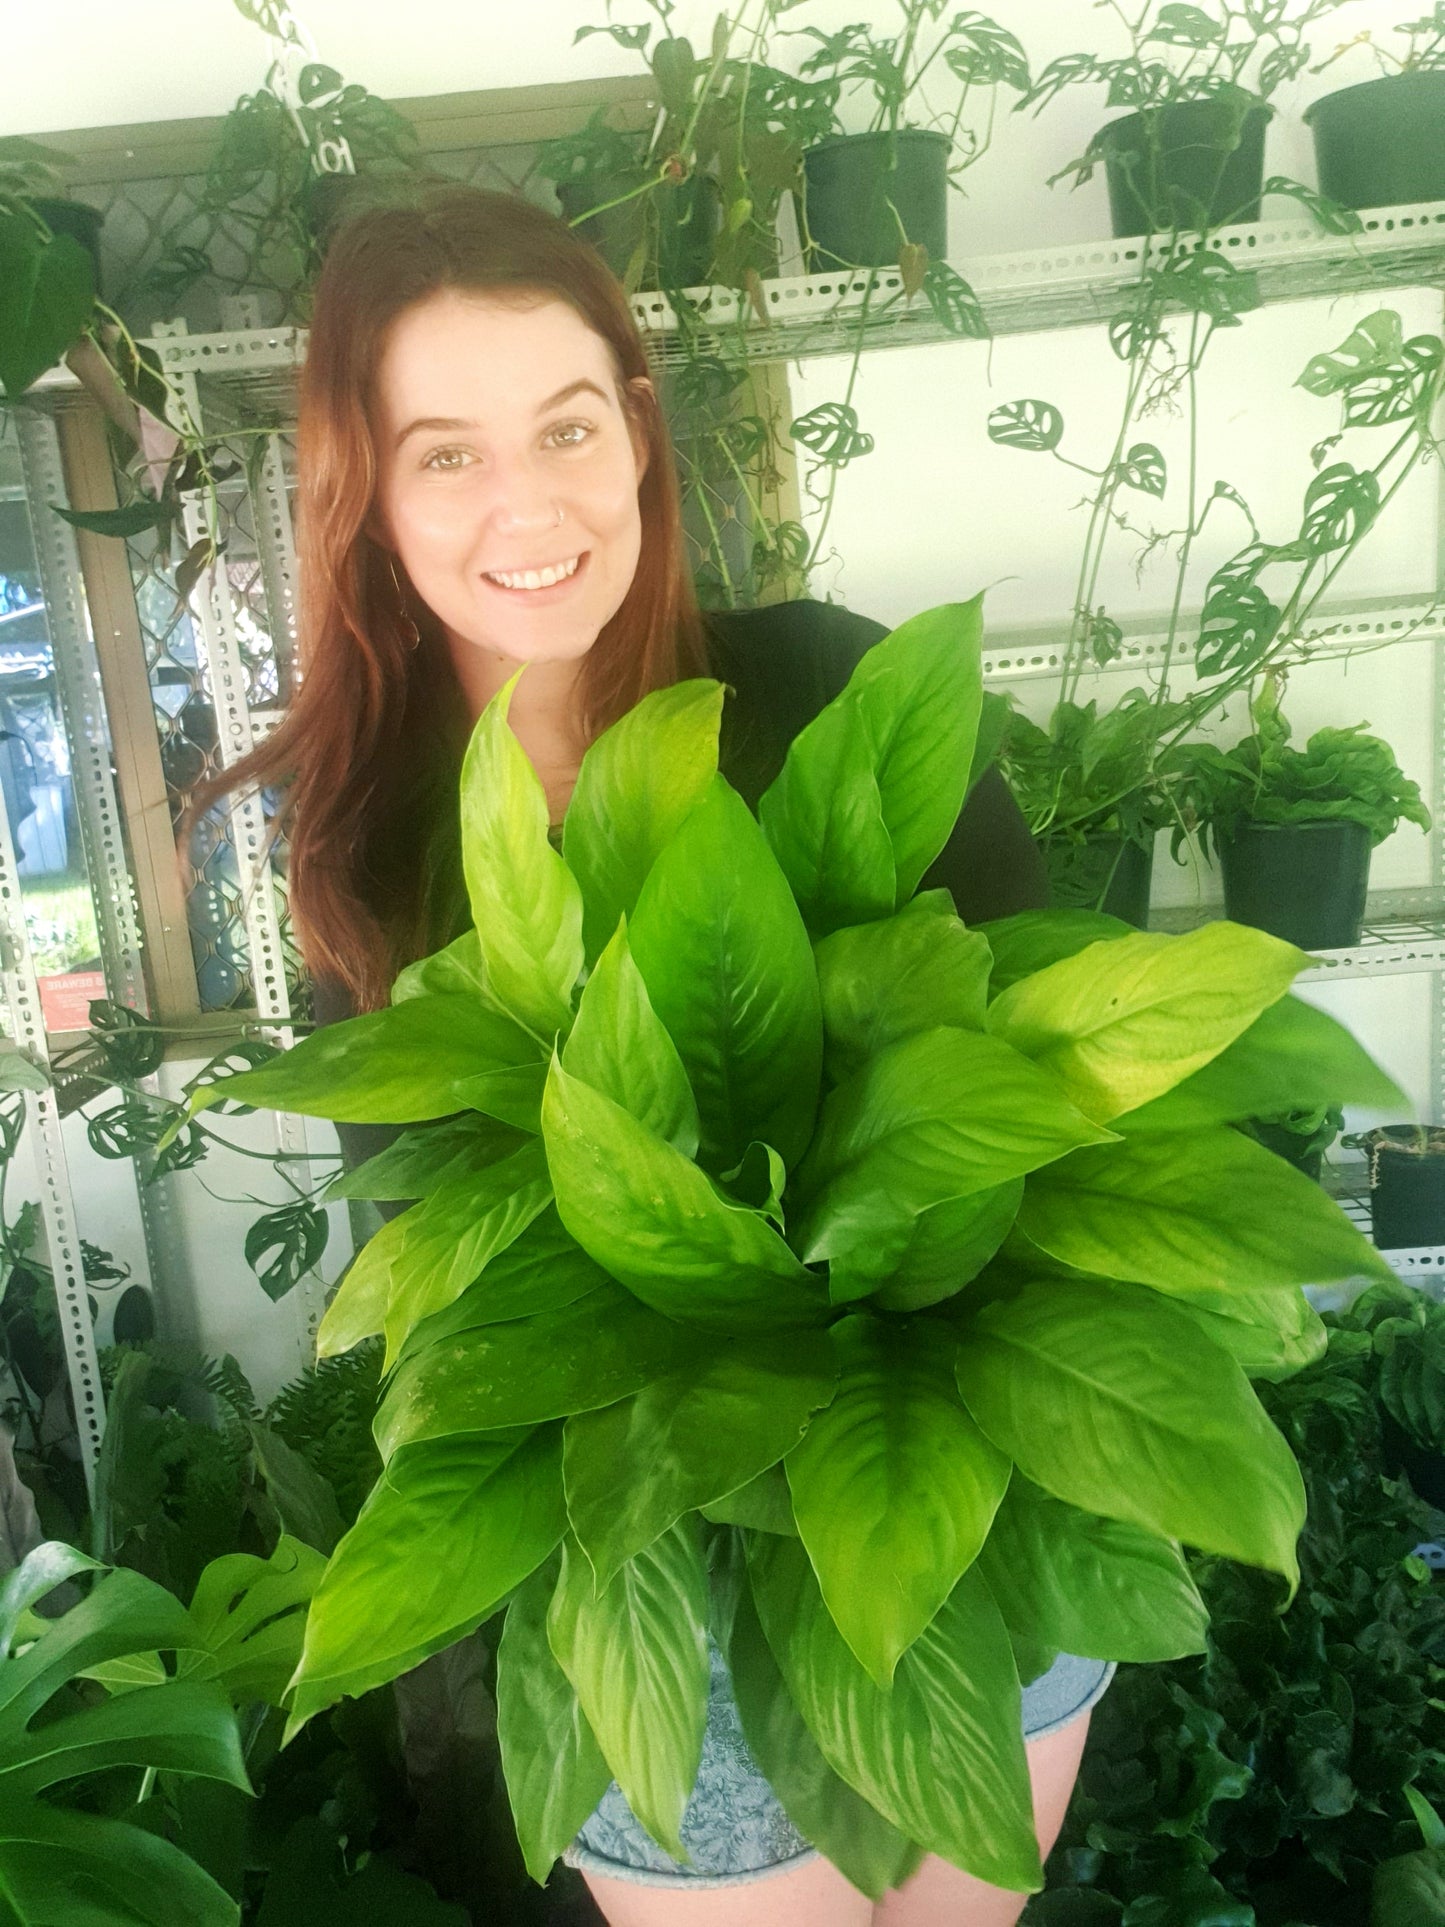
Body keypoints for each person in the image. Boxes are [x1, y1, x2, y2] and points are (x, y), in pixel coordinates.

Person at [194, 180, 1113, 1927]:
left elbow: (1032, 1101)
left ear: (635, 435)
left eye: (564, 426)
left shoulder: (830, 691)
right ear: (369, 495)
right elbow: (461, 1268)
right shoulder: (377, 849)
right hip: (661, 1558)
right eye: (446, 452)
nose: (525, 502)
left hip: (940, 1479)